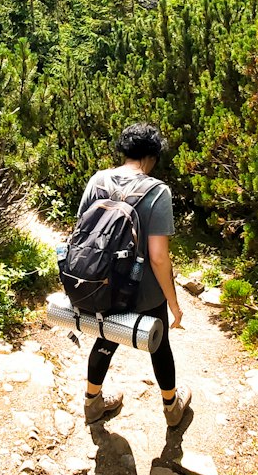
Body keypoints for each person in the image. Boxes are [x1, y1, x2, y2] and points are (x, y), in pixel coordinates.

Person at [78, 122, 192, 428]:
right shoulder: (158, 192)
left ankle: (92, 402)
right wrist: (174, 305)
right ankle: (171, 407)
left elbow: (82, 231)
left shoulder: (98, 180)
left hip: (102, 283)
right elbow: (157, 257)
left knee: (105, 336)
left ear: (124, 150)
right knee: (159, 343)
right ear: (152, 157)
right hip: (141, 290)